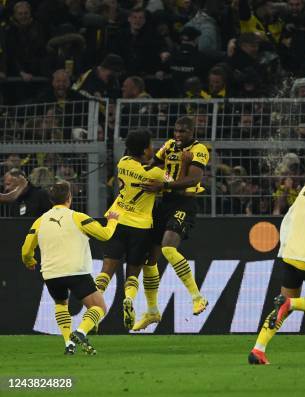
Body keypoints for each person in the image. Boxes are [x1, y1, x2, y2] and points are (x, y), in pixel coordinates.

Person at [248, 151, 305, 365]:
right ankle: (292, 303)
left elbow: (289, 219)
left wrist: (286, 249)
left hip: (291, 256)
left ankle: (258, 349)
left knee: (282, 308)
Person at [21, 181, 119, 355]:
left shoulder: (40, 221)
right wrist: (112, 221)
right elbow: (105, 235)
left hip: (51, 274)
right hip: (76, 271)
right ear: (69, 198)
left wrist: (29, 261)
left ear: (51, 200)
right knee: (99, 308)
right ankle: (80, 332)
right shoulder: (77, 217)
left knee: (61, 304)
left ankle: (68, 343)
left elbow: (26, 249)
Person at [94, 129, 178, 330]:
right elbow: (173, 181)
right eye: (150, 146)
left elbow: (141, 163)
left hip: (117, 221)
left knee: (106, 270)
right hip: (140, 227)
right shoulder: (157, 174)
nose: (153, 149)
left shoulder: (123, 163)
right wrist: (166, 157)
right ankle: (129, 299)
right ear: (145, 149)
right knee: (133, 273)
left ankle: (93, 308)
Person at [132, 116, 209, 330]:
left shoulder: (199, 149)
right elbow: (154, 166)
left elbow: (193, 179)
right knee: (150, 259)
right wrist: (134, 167)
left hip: (184, 204)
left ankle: (197, 298)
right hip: (164, 204)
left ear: (192, 132)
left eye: (183, 131)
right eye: (176, 131)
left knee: (168, 247)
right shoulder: (169, 145)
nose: (178, 135)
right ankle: (152, 311)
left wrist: (164, 185)